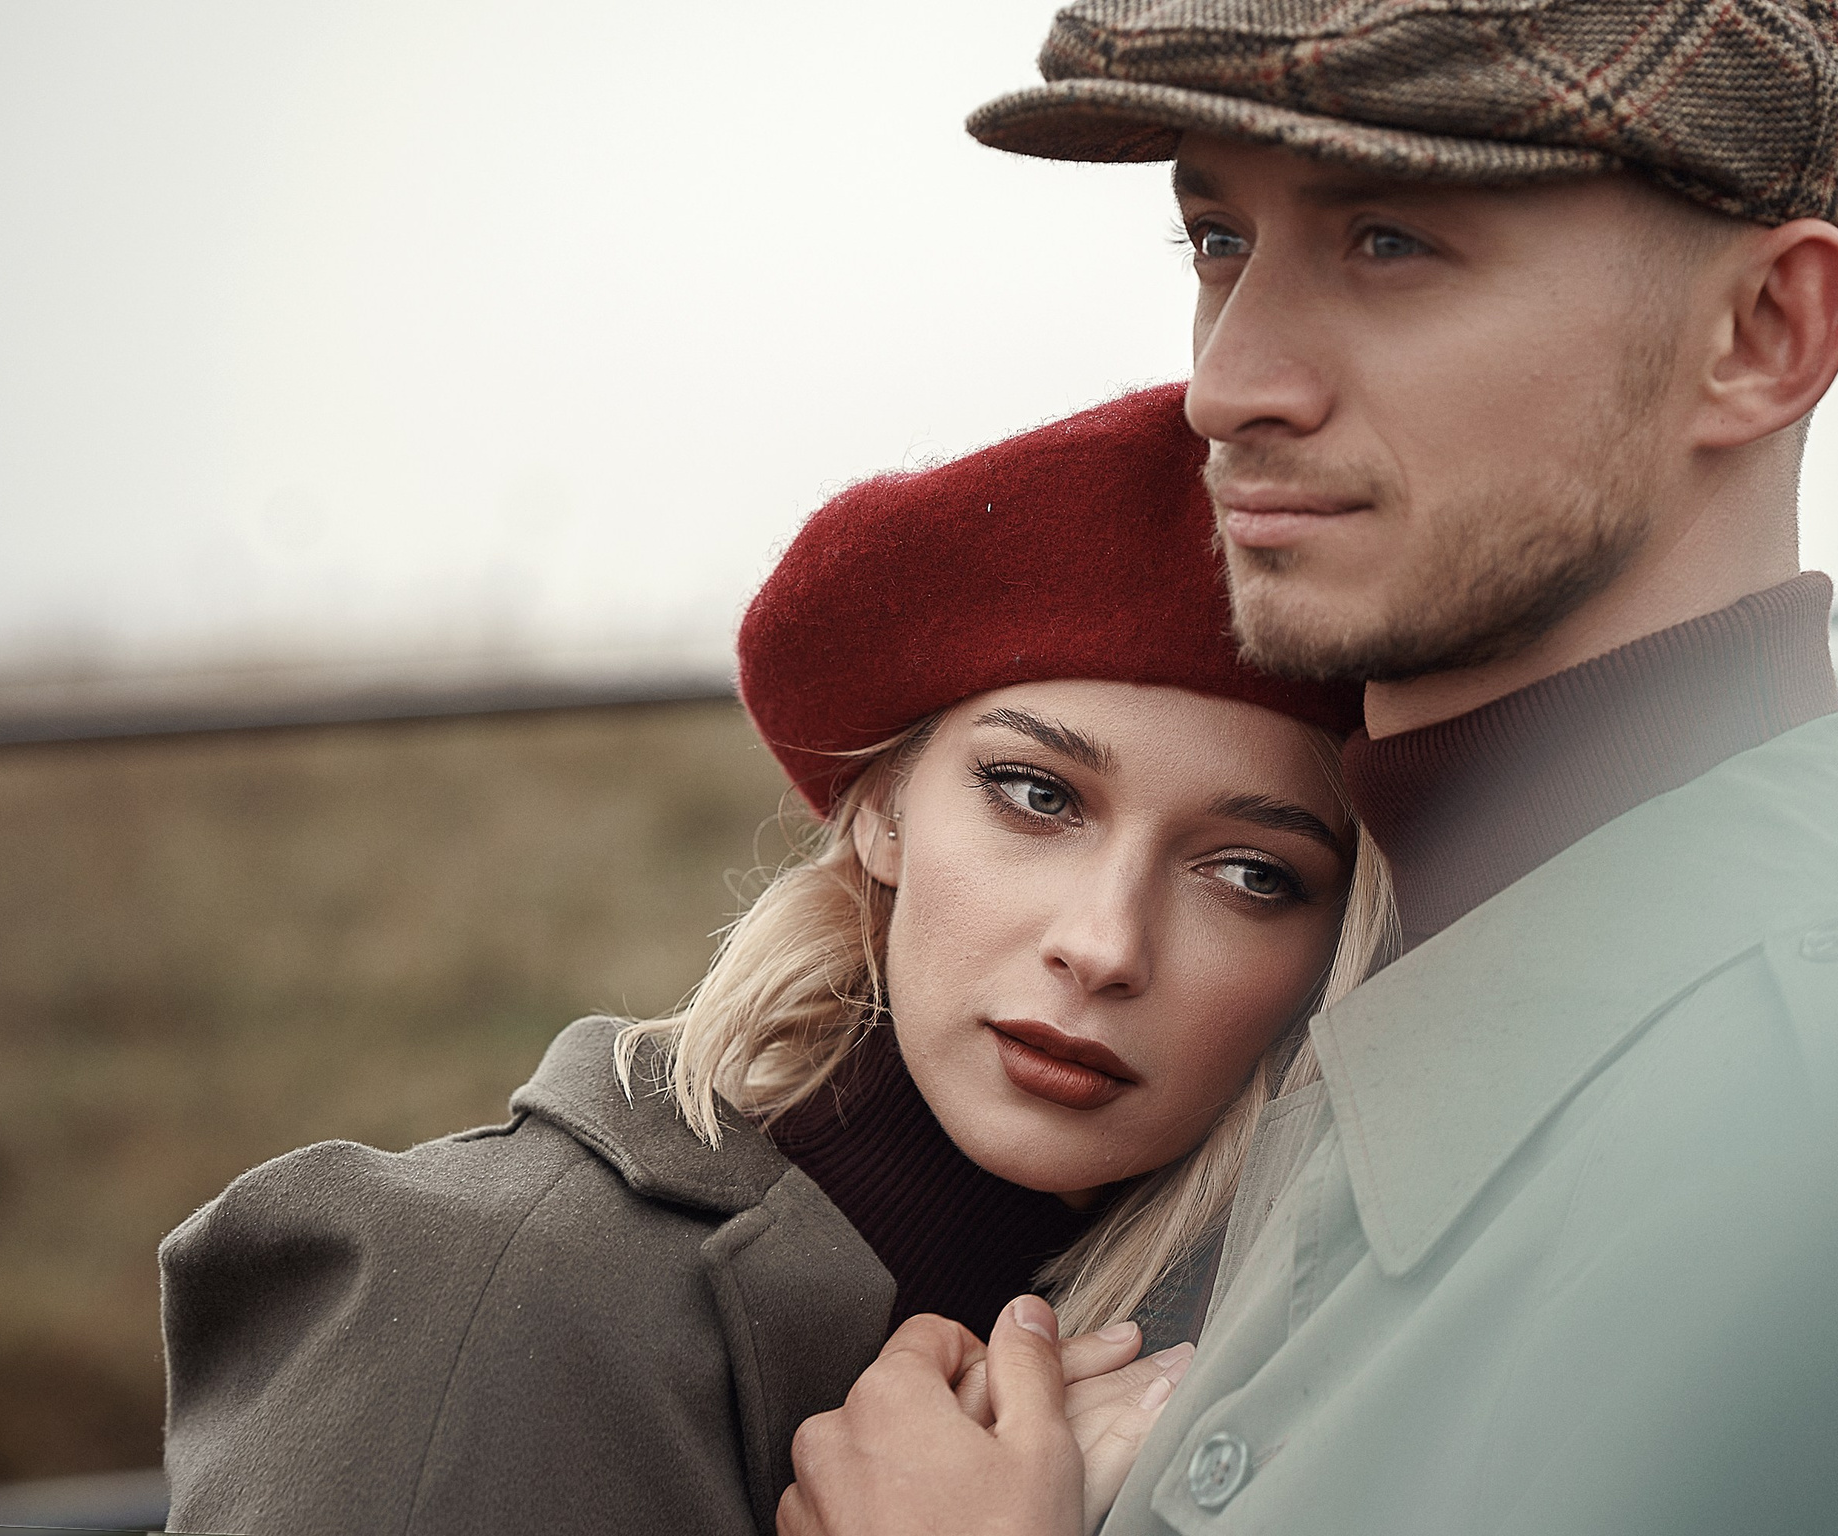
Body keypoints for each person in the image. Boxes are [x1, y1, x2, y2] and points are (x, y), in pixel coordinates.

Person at [778, 4, 1838, 1534]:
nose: (1227, 387)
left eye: (1390, 243)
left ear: (1762, 334)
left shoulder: (1822, 1121)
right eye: (1219, 240)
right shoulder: (1302, 998)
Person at [157, 386, 1396, 1535]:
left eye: (1252, 873)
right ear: (884, 809)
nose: (1105, 946)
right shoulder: (485, 1294)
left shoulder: (1311, 1356)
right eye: (1035, 794)